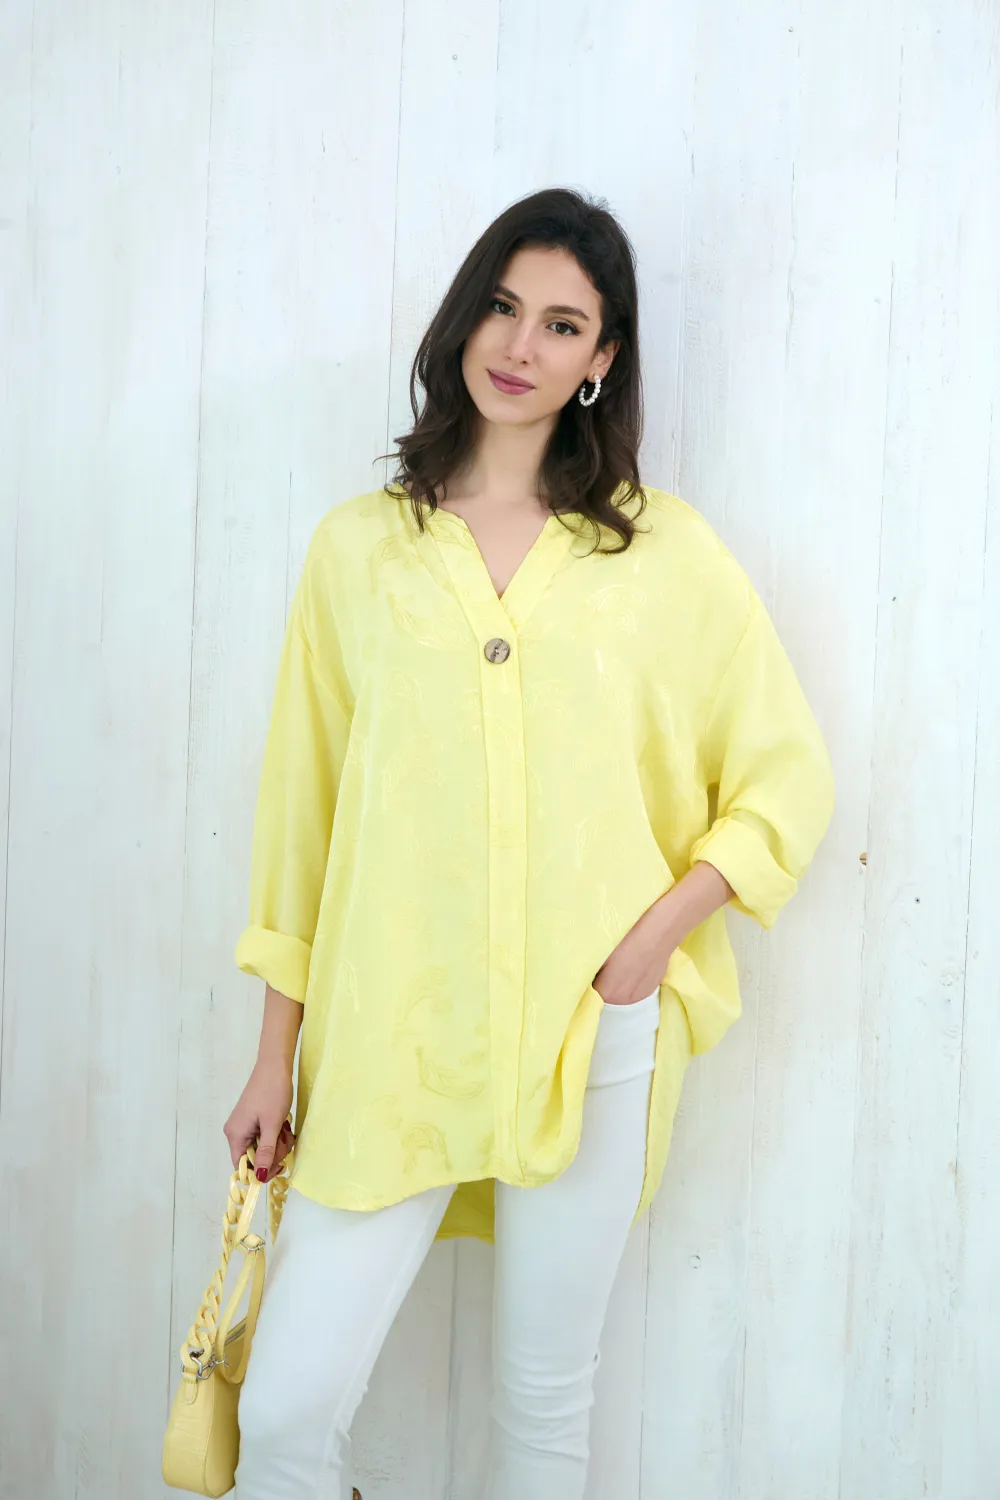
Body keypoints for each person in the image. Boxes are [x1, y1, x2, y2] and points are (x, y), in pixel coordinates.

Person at [223, 186, 835, 1500]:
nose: (520, 345)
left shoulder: (661, 555)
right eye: (503, 307)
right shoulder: (359, 554)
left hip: (588, 1036)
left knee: (545, 1403)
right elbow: (303, 816)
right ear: (464, 317)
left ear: (603, 357)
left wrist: (645, 952)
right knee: (281, 1418)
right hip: (389, 1030)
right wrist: (276, 1056)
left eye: (563, 324)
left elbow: (785, 779)